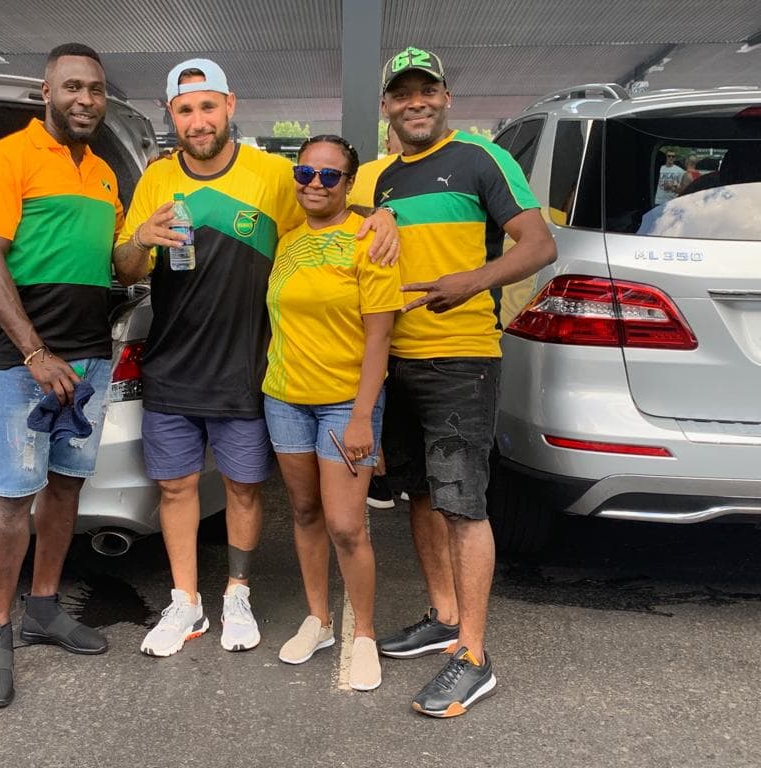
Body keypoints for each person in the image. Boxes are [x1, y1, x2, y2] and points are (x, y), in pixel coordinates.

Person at [112, 58, 398, 658]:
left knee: (244, 491)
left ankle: (236, 592)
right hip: (172, 364)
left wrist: (382, 213)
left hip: (248, 367)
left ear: (230, 106)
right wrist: (140, 240)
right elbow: (125, 268)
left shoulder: (275, 174)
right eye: (185, 109)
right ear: (172, 115)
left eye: (208, 106)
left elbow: (329, 206)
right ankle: (185, 600)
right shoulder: (157, 179)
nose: (198, 119)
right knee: (176, 487)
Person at [348, 46, 556, 717]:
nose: (416, 102)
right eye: (403, 93)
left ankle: (472, 653)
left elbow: (536, 243)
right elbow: (326, 209)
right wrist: (369, 216)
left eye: (427, 91)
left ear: (445, 98)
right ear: (386, 106)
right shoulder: (379, 178)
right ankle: (441, 615)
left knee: (463, 502)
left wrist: (473, 281)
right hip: (396, 357)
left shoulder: (479, 158)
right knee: (418, 493)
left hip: (462, 356)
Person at [0, 42, 124, 709]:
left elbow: (116, 263)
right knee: (13, 497)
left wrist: (146, 240)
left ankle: (45, 607)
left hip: (90, 359)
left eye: (95, 88)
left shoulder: (108, 173)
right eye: (72, 87)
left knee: (65, 488)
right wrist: (34, 351)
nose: (85, 98)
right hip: (26, 364)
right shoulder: (6, 158)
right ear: (46, 92)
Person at [264, 135, 401, 691]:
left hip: (347, 401)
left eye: (329, 176)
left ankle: (362, 632)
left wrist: (365, 416)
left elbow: (380, 339)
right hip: (284, 396)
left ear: (349, 184)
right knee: (303, 512)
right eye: (305, 173)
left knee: (346, 524)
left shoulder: (370, 240)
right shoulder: (286, 238)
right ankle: (319, 619)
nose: (314, 184)